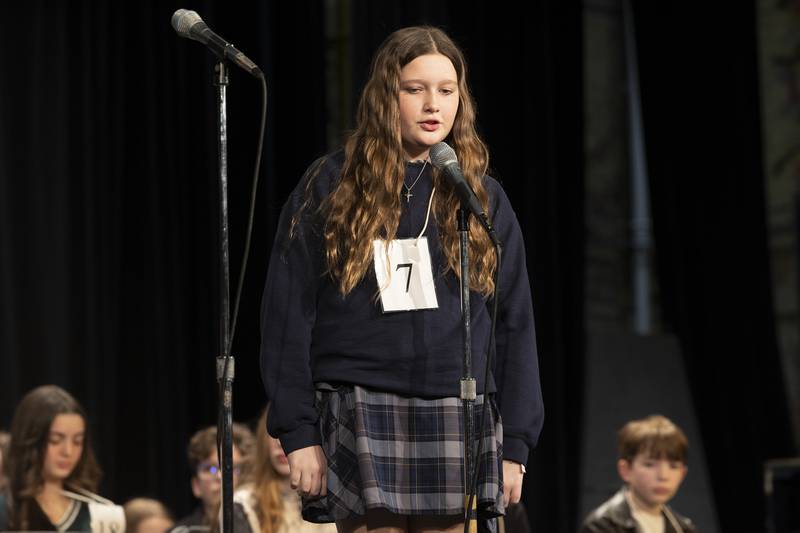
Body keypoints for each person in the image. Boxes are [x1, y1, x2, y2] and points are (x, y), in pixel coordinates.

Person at [260, 25, 543, 533]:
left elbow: (515, 324)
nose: (432, 104)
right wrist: (298, 431)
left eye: (446, 90)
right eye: (414, 89)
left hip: (459, 405)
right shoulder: (331, 184)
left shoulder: (480, 198)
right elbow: (286, 317)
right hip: (361, 404)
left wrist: (516, 444)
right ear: (385, 96)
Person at [1, 384, 124, 531]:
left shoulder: (100, 513)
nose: (68, 451)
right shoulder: (7, 510)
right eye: (55, 440)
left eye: (77, 441)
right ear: (31, 440)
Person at [580, 415, 696, 533]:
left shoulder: (683, 528)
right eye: (649, 464)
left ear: (682, 473)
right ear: (626, 470)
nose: (663, 476)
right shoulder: (602, 526)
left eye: (673, 466)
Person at [230, 407, 337, 533]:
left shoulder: (340, 500)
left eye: (296, 432)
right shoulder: (244, 505)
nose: (282, 444)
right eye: (277, 432)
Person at [171, 423, 254, 532]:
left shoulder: (261, 525)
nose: (220, 476)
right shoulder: (181, 531)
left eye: (230, 468)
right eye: (210, 469)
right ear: (196, 485)